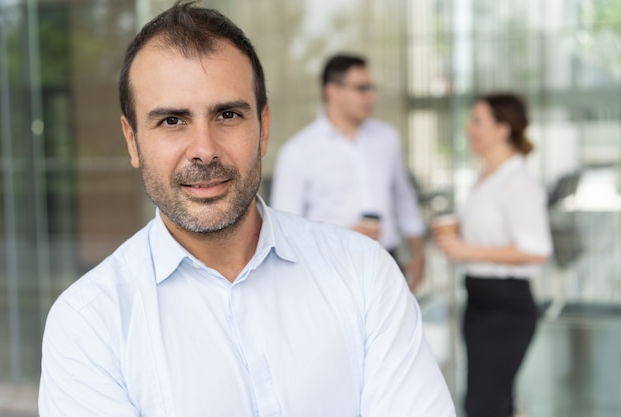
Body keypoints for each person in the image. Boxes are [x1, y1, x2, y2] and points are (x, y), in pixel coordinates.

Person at [38, 2, 455, 416]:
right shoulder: (88, 325)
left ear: (264, 127)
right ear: (132, 140)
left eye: (228, 114)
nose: (204, 150)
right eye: (171, 121)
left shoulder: (365, 275)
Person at [433, 93, 552, 417]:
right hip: (480, 302)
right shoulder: (485, 178)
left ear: (503, 129)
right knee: (496, 403)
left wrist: (466, 249)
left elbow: (536, 250)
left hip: (506, 310)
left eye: (477, 121)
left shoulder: (518, 183)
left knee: (482, 406)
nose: (468, 128)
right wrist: (455, 232)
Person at [270, 54, 426, 291]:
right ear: (333, 92)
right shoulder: (298, 151)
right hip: (330, 267)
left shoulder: (387, 138)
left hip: (387, 261)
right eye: (362, 88)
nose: (371, 96)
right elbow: (284, 227)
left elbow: (403, 197)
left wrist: (419, 252)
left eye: (372, 88)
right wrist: (341, 237)